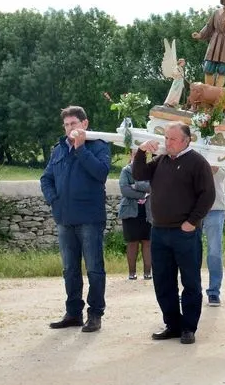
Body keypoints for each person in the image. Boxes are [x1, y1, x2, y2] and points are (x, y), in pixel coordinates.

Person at [134, 123, 215, 345]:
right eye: (166, 138)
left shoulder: (197, 163)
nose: (167, 142)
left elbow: (207, 195)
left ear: (186, 141)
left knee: (190, 281)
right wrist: (142, 151)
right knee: (162, 281)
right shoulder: (161, 160)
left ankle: (188, 327)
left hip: (185, 233)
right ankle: (172, 324)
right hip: (159, 231)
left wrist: (192, 221)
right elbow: (139, 174)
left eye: (172, 139)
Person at [41, 106, 111, 333]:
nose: (70, 128)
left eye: (73, 123)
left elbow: (101, 173)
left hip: (90, 218)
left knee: (94, 269)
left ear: (85, 124)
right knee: (70, 269)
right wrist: (54, 200)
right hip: (64, 218)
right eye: (66, 125)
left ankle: (95, 314)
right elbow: (46, 178)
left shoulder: (99, 146)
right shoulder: (58, 149)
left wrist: (81, 149)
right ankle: (73, 314)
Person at [118, 149, 152, 280]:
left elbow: (153, 186)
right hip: (130, 211)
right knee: (132, 242)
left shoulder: (150, 170)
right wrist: (143, 193)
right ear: (130, 155)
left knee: (147, 241)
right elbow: (125, 190)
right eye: (135, 154)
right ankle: (132, 273)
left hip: (148, 210)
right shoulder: (125, 171)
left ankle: (147, 272)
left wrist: (136, 185)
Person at [203, 166, 225, 306]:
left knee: (214, 252)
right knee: (190, 252)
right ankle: (192, 291)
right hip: (192, 209)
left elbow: (216, 171)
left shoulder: (218, 156)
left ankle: (213, 292)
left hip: (215, 209)